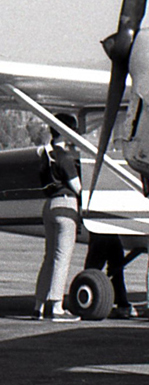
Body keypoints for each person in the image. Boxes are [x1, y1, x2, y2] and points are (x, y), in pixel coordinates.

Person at [32, 118, 82, 321]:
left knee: (49, 257)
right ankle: (56, 306)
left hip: (49, 205)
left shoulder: (47, 156)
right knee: (62, 258)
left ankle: (39, 305)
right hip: (66, 205)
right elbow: (77, 188)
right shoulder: (66, 158)